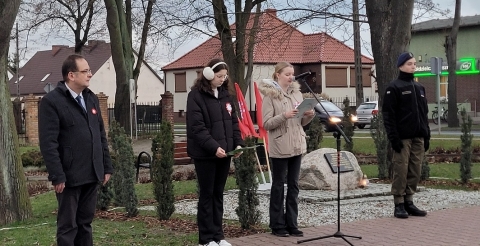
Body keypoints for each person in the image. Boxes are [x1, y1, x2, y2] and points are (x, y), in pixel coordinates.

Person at [39, 54, 113, 245]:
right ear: (71, 75)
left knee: (85, 224)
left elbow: (100, 135)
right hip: (69, 177)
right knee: (68, 226)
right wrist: (57, 175)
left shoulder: (91, 98)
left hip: (92, 172)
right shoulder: (52, 102)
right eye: (85, 71)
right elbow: (49, 143)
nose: (90, 74)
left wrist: (106, 166)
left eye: (89, 70)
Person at [186, 58, 244, 246]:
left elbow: (234, 122)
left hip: (225, 154)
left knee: (218, 194)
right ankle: (206, 239)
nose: (222, 79)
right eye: (219, 76)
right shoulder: (195, 96)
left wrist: (238, 144)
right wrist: (213, 147)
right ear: (209, 75)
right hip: (205, 155)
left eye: (225, 76)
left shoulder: (225, 95)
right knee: (207, 194)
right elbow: (197, 128)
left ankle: (218, 236)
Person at [258, 62, 314, 237]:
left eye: (292, 74)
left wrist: (308, 116)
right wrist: (284, 115)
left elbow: (299, 122)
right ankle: (277, 224)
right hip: (280, 146)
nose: (291, 77)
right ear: (277, 75)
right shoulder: (270, 96)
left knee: (294, 186)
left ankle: (292, 223)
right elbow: (266, 124)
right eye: (287, 74)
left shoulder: (296, 93)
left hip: (297, 144)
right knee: (278, 187)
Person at [382, 52, 430, 219]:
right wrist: (393, 138)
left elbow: (424, 113)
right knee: (401, 170)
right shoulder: (394, 88)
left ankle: (409, 201)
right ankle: (399, 203)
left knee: (415, 170)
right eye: (410, 63)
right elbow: (388, 115)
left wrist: (427, 135)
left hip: (418, 136)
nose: (413, 66)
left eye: (414, 63)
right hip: (402, 138)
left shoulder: (419, 88)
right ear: (401, 66)